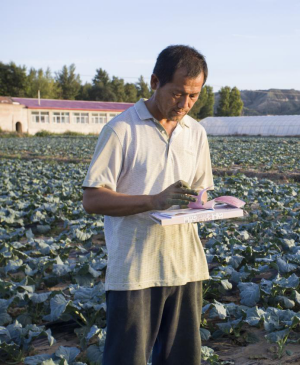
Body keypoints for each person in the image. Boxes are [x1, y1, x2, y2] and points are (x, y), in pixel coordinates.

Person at [82, 45, 213, 365]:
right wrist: (153, 201)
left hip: (184, 267)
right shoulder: (121, 130)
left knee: (183, 359)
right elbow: (92, 198)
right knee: (128, 358)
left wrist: (209, 205)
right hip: (135, 270)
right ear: (155, 81)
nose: (185, 104)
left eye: (194, 96)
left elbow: (200, 193)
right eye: (177, 93)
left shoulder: (196, 133)